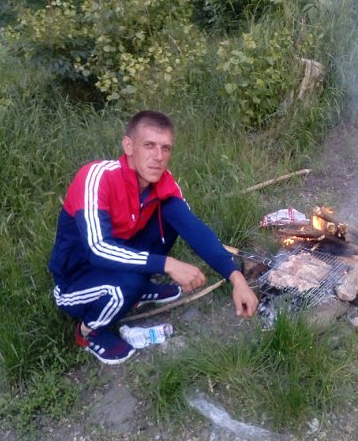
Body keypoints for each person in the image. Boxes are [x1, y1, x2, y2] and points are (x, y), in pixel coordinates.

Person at [49, 110, 259, 364]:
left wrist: (236, 279)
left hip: (120, 260)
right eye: (149, 145)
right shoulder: (97, 177)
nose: (158, 157)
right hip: (76, 280)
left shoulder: (162, 183)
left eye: (165, 148)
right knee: (126, 285)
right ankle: (88, 331)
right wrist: (167, 264)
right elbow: (98, 249)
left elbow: (195, 229)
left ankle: (139, 288)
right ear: (129, 146)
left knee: (172, 220)